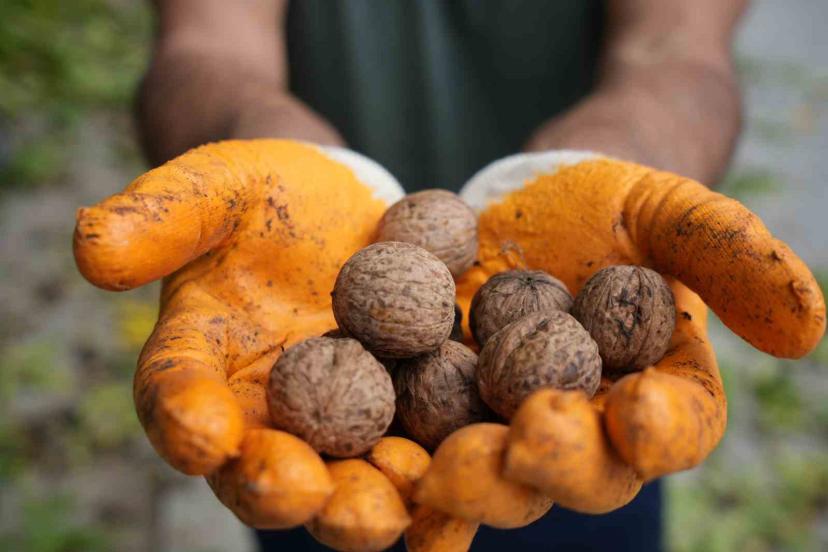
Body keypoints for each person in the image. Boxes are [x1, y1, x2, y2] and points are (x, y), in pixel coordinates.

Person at [136, 1, 748, 550]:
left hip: (592, 426)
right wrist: (255, 142)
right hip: (316, 448)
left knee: (593, 464)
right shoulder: (379, 330)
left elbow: (680, 49)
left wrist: (621, 159)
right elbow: (207, 44)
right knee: (310, 501)